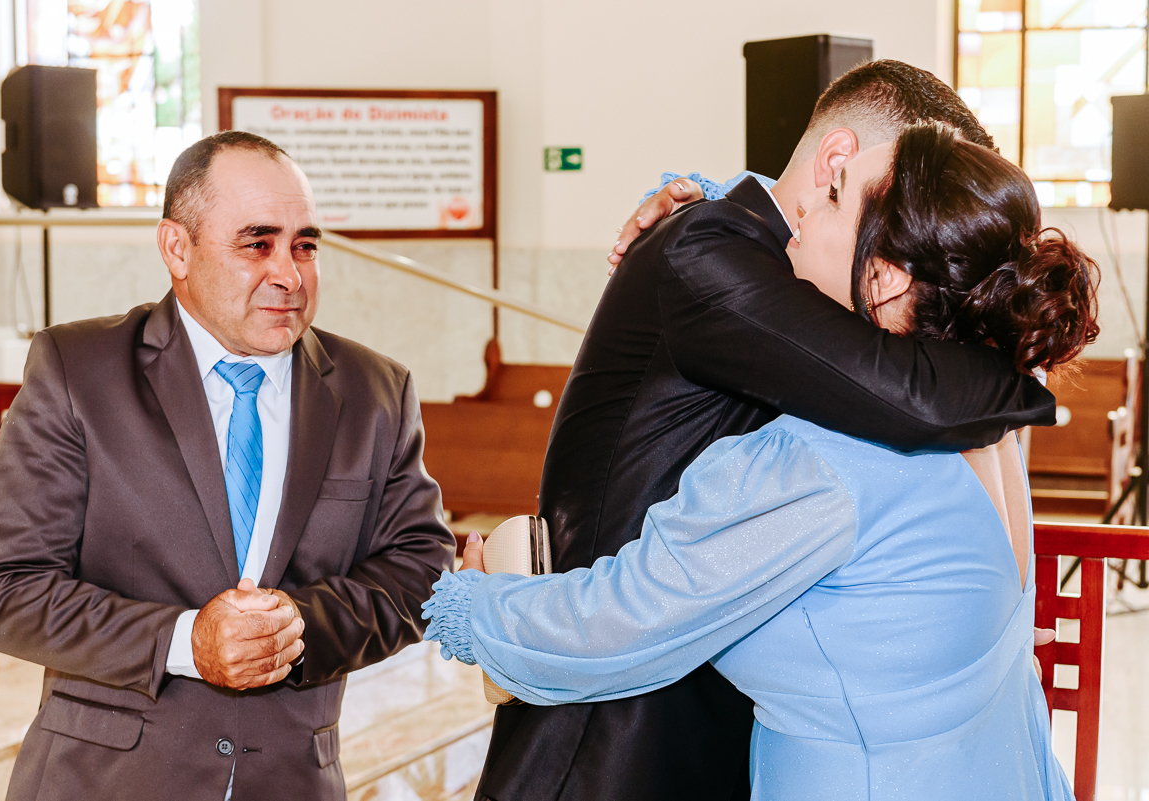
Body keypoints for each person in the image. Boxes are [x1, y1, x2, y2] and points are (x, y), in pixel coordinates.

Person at [425, 121, 1098, 801]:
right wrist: (720, 197)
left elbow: (626, 618)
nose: (802, 200)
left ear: (888, 277)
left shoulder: (820, 461)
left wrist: (472, 607)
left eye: (833, 195)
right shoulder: (990, 428)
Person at [0, 131, 455, 800]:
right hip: (105, 783)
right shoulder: (78, 372)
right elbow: (4, 591)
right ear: (177, 248)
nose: (289, 275)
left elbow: (420, 568)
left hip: (289, 783)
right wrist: (183, 640)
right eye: (257, 244)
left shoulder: (375, 392)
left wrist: (300, 625)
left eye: (304, 246)